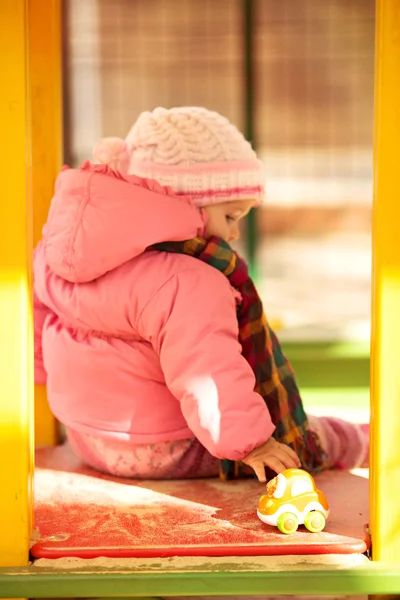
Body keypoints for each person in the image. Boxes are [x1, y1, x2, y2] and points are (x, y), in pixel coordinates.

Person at [33, 107, 369, 482]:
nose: (235, 235)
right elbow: (208, 370)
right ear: (184, 205)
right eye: (230, 217)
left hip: (86, 438)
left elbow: (36, 317)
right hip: (165, 450)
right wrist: (252, 443)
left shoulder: (54, 253)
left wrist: (39, 368)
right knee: (317, 435)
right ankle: (375, 443)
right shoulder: (189, 280)